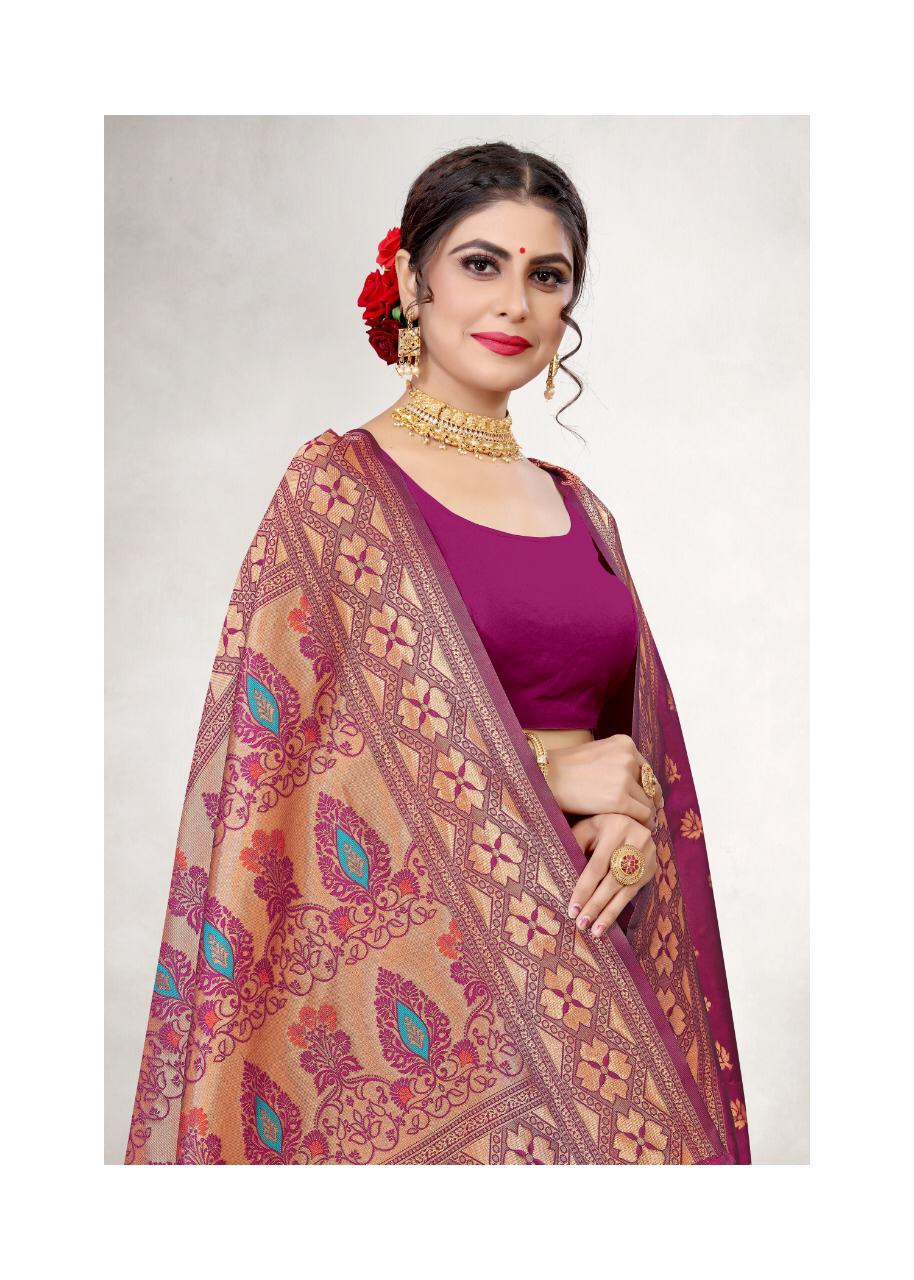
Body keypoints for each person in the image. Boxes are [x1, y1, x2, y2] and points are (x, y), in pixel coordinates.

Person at [124, 141, 751, 1165]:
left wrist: (633, 814)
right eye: (480, 263)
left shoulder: (580, 508)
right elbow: (291, 770)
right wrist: (545, 777)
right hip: (441, 976)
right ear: (413, 280)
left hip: (596, 949)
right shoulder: (338, 489)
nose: (513, 301)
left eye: (547, 275)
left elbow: (628, 742)